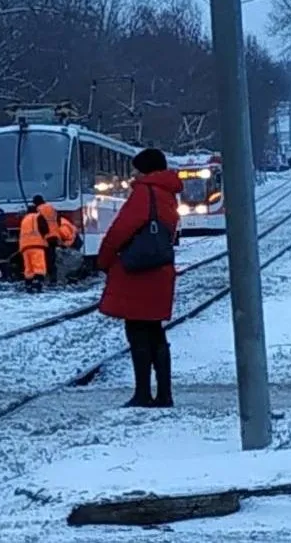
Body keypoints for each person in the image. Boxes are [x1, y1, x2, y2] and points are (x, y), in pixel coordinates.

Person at [97, 147, 182, 408]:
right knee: (154, 330)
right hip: (160, 269)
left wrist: (104, 260)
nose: (133, 173)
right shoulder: (168, 194)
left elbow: (120, 230)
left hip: (139, 272)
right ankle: (164, 394)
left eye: (137, 169)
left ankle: (143, 393)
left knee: (137, 331)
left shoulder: (145, 193)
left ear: (146, 170)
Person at [18, 202, 49, 293]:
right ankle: (38, 285)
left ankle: (28, 285)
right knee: (39, 267)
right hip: (37, 245)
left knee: (29, 268)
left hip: (25, 247)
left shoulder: (24, 220)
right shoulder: (38, 217)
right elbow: (45, 229)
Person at [33, 194, 60, 284]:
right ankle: (54, 277)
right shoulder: (51, 207)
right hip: (55, 235)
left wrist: (41, 234)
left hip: (46, 237)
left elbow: (40, 224)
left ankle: (48, 278)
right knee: (52, 257)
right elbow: (58, 220)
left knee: (47, 258)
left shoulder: (39, 209)